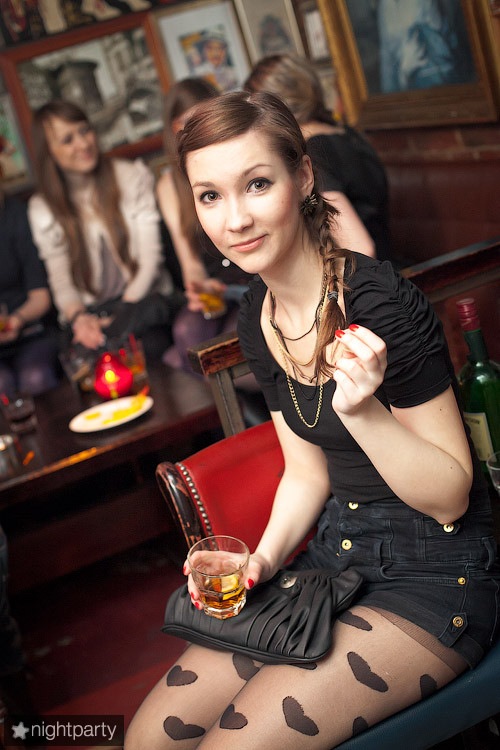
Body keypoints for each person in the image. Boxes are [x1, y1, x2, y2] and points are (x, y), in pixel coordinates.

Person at [125, 91, 500, 749]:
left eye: (257, 184)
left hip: (438, 571)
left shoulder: (380, 304)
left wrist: (363, 413)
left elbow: (451, 496)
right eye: (210, 195)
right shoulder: (258, 314)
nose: (235, 218)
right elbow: (305, 472)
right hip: (336, 557)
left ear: (302, 178)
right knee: (149, 740)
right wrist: (264, 559)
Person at [27, 100, 177, 359]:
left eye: (84, 131)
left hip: (141, 301)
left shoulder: (130, 177)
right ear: (49, 152)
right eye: (68, 139)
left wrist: (122, 314)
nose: (83, 143)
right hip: (92, 313)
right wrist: (80, 319)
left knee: (144, 348)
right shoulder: (43, 208)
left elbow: (150, 261)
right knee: (88, 357)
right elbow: (61, 282)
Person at [245, 54, 391, 262]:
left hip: (373, 275)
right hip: (388, 262)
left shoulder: (314, 150)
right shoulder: (346, 134)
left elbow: (361, 249)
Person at [158, 78, 252, 374]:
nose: (195, 131)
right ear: (172, 130)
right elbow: (190, 264)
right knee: (187, 333)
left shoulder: (239, 159)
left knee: (233, 337)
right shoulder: (170, 186)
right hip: (217, 288)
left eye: (203, 119)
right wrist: (199, 288)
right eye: (186, 124)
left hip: (253, 276)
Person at [0, 189, 58, 398]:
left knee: (35, 376)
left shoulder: (17, 215)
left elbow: (41, 297)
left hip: (31, 331)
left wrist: (17, 319)